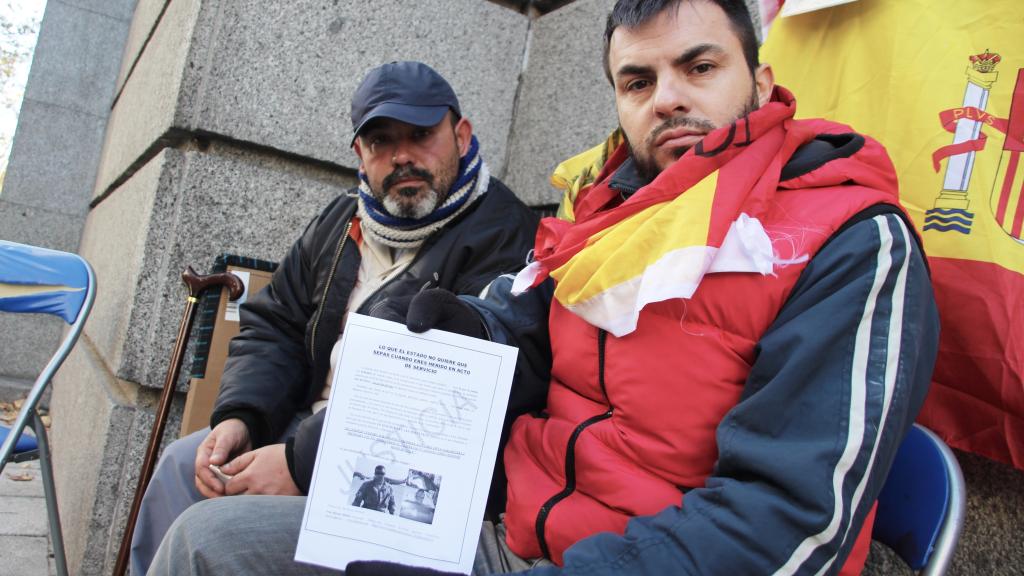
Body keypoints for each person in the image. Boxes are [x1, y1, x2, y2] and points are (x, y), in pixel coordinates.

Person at [147, 1, 941, 575]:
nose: (666, 97)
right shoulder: (604, 216)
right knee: (207, 540)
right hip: (505, 530)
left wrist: (309, 455)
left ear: (761, 82)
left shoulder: (849, 238)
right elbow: (510, 331)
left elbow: (790, 520)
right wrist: (466, 333)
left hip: (634, 557)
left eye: (699, 67)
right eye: (637, 81)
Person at [129, 60, 539, 576]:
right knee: (182, 467)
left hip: (391, 465)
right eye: (381, 142)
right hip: (303, 428)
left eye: (421, 135)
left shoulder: (504, 232)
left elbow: (446, 397)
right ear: (359, 155)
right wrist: (242, 415)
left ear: (461, 134)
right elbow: (274, 321)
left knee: (209, 538)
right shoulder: (342, 217)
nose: (403, 157)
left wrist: (305, 466)